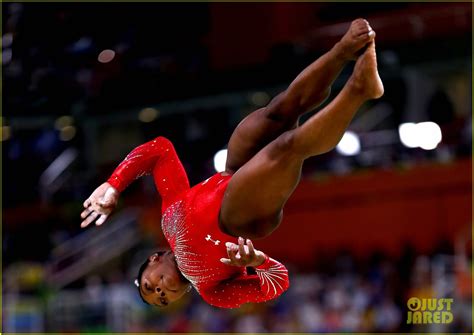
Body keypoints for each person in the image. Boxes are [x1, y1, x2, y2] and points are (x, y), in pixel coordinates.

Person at [80, 19, 383, 308]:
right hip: (241, 217)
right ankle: (358, 90)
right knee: (287, 147)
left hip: (233, 172)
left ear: (153, 259)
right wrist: (257, 263)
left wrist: (114, 184)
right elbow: (279, 283)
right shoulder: (213, 292)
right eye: (161, 299)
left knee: (280, 110)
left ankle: (344, 49)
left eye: (150, 286)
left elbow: (160, 150)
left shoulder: (168, 218)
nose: (160, 290)